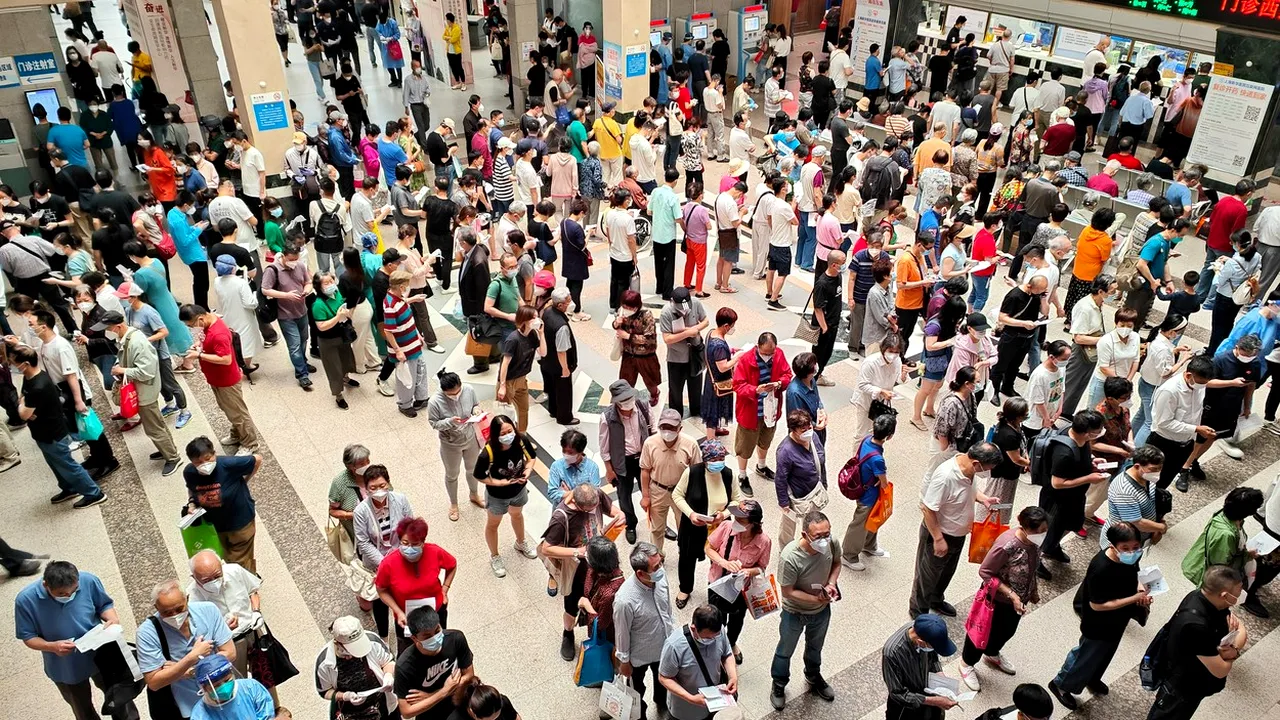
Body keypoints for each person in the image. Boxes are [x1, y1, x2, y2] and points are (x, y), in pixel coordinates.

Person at [15, 560, 139, 720]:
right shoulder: (25, 601)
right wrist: (52, 646)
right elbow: (28, 636)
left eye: (74, 591)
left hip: (101, 654)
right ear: (46, 585)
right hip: (66, 665)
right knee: (82, 708)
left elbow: (105, 605)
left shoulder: (88, 580)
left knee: (121, 698)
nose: (69, 596)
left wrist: (112, 619)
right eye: (61, 594)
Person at [958, 506, 1047, 691]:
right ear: (1024, 527)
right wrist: (1012, 595)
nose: (1042, 534)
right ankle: (966, 664)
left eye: (1045, 530)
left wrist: (1033, 590)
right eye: (1038, 531)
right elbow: (985, 572)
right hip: (996, 600)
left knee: (1007, 631)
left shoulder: (1035, 543)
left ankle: (992, 653)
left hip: (1018, 601)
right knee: (981, 633)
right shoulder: (1008, 545)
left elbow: (1032, 568)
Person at [912, 442, 1003, 618]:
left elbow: (969, 491)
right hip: (939, 535)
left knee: (946, 571)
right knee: (927, 576)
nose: (988, 472)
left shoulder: (969, 468)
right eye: (988, 468)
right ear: (977, 463)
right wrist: (938, 539)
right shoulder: (946, 477)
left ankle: (936, 599)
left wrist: (982, 498)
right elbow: (928, 509)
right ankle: (919, 612)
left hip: (958, 534)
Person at [1146, 565, 1248, 719]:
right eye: (1239, 590)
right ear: (1224, 594)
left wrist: (1231, 647)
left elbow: (1241, 629)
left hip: (1193, 681)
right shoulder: (1196, 626)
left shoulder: (1203, 598)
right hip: (1183, 687)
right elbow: (1221, 670)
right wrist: (1232, 652)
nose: (1241, 594)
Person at [11, 344, 106, 508]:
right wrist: (25, 405)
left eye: (14, 362)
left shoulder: (37, 386)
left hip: (52, 433)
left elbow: (23, 414)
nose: (12, 365)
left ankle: (94, 493)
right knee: (55, 463)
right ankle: (68, 487)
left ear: (25, 363)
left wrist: (23, 406)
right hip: (43, 432)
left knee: (68, 465)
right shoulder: (32, 377)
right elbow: (24, 403)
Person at [768, 510, 840, 710]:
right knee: (785, 650)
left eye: (827, 534)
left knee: (815, 647)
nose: (825, 540)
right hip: (795, 613)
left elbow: (836, 563)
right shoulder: (790, 557)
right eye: (818, 536)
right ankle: (779, 684)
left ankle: (813, 675)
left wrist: (832, 583)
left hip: (822, 610)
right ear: (805, 535)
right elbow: (788, 592)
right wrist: (815, 598)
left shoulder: (832, 542)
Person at [136, 579, 235, 719]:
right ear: (156, 608)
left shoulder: (208, 611)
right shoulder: (147, 632)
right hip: (184, 709)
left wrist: (185, 671)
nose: (174, 615)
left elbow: (230, 653)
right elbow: (154, 681)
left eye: (178, 609)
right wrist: (191, 657)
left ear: (187, 599)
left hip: (221, 697)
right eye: (167, 612)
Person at [186, 551, 277, 702]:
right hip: (228, 645)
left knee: (267, 678)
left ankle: (273, 710)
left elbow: (252, 591)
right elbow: (200, 637)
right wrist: (222, 630)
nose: (214, 581)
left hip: (253, 632)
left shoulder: (234, 571)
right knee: (236, 684)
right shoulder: (193, 600)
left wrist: (256, 611)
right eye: (207, 580)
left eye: (217, 575)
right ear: (194, 578)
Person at [97, 310, 181, 473]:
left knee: (154, 428)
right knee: (156, 423)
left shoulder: (136, 342)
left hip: (145, 392)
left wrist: (123, 371)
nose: (107, 331)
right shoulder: (128, 338)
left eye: (109, 328)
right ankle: (167, 449)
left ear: (119, 326)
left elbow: (146, 372)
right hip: (143, 389)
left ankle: (173, 457)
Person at [181, 304, 262, 451]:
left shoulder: (218, 333)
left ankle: (250, 444)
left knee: (238, 414)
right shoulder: (209, 321)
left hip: (226, 381)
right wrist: (199, 345)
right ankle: (237, 434)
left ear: (200, 318)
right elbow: (205, 340)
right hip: (216, 378)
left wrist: (199, 355)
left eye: (191, 325)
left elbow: (226, 359)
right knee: (229, 409)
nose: (192, 328)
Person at [612, 542, 675, 718]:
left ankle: (661, 701)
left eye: (661, 563)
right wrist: (624, 661)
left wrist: (672, 636)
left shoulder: (660, 579)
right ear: (640, 573)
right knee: (636, 690)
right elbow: (621, 632)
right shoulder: (625, 600)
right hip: (638, 656)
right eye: (656, 566)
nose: (661, 569)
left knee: (662, 679)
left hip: (663, 647)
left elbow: (667, 609)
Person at [184, 436, 263, 572]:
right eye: (198, 462)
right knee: (227, 557)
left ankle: (250, 586)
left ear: (215, 454)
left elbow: (257, 459)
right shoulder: (189, 472)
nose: (204, 464)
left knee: (241, 561)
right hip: (215, 526)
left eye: (208, 459)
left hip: (240, 523)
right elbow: (192, 488)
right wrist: (191, 503)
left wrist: (245, 480)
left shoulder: (229, 464)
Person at [733, 334, 791, 499]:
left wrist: (780, 383)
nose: (769, 356)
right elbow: (738, 385)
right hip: (750, 412)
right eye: (765, 353)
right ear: (758, 347)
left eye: (771, 353)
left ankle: (761, 466)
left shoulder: (778, 354)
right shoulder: (746, 360)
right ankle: (743, 475)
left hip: (770, 410)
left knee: (766, 440)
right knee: (745, 446)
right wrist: (755, 390)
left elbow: (787, 374)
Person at [1147, 355, 1216, 492]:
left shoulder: (1199, 386)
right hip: (1163, 444)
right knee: (1149, 482)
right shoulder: (1169, 391)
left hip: (1185, 444)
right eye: (1201, 382)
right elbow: (1163, 423)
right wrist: (1196, 429)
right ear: (1189, 375)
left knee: (1164, 483)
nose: (1203, 385)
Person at [659, 604, 738, 720]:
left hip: (713, 701)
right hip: (685, 708)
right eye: (707, 638)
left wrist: (733, 677)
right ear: (693, 628)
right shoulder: (674, 646)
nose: (712, 640)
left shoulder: (718, 631)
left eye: (715, 637)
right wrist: (690, 698)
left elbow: (727, 654)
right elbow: (664, 678)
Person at [394, 606, 475, 720]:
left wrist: (432, 695)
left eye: (437, 630)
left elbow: (469, 675)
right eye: (427, 636)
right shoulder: (404, 666)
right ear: (414, 638)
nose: (435, 638)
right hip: (429, 712)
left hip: (459, 700)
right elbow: (406, 712)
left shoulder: (456, 638)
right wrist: (444, 691)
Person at [425, 370, 484, 521]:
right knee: (452, 474)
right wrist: (450, 421)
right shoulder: (435, 402)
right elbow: (433, 423)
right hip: (450, 443)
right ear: (444, 391)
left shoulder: (469, 390)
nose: (456, 396)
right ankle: (454, 504)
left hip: (470, 438)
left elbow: (475, 405)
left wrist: (476, 410)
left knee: (472, 469)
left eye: (459, 391)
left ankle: (474, 494)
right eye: (451, 394)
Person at [314, 615, 398, 719]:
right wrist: (345, 696)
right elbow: (325, 692)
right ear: (338, 643)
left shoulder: (372, 640)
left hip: (382, 703)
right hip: (350, 712)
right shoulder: (324, 662)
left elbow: (388, 661)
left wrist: (388, 675)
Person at [882, 612, 959, 719]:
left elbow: (932, 657)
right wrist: (932, 701)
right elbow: (897, 694)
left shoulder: (925, 630)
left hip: (928, 693)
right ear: (920, 642)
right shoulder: (892, 653)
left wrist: (940, 676)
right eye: (932, 647)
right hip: (906, 708)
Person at [1208, 230, 1263, 354]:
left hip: (1225, 296)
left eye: (1232, 242)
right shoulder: (1256, 256)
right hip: (1240, 296)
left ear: (1238, 244)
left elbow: (1220, 282)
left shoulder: (1233, 263)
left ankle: (1212, 351)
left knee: (1218, 326)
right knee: (1228, 323)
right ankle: (1223, 349)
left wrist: (1218, 270)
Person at [209, 255, 261, 377]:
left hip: (227, 314)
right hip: (243, 315)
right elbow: (250, 303)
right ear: (233, 268)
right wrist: (254, 294)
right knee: (246, 339)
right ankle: (247, 365)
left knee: (233, 340)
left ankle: (236, 365)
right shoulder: (240, 283)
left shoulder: (217, 281)